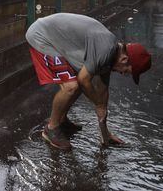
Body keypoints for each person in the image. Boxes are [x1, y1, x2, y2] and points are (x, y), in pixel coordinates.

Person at [25, 12, 152, 151]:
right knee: (71, 86)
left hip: (55, 37)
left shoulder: (111, 57)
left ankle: (62, 121)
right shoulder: (106, 50)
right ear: (124, 60)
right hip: (41, 35)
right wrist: (97, 104)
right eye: (126, 71)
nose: (122, 74)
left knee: (81, 83)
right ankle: (51, 128)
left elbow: (102, 94)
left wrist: (105, 133)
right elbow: (84, 80)